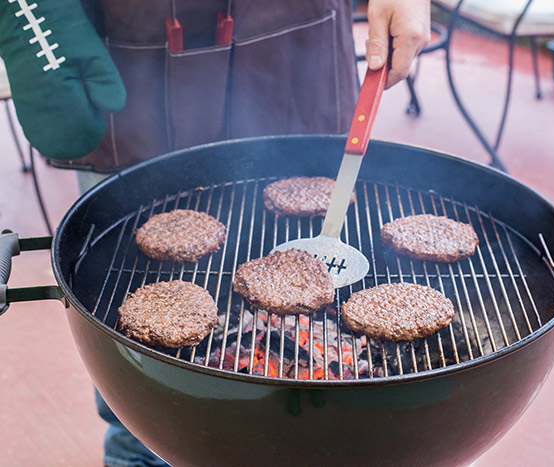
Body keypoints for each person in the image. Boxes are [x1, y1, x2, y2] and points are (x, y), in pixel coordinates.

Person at [1, 0, 430, 465]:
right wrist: (29, 14)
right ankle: (137, 448)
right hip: (128, 54)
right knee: (138, 402)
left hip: (292, 40)